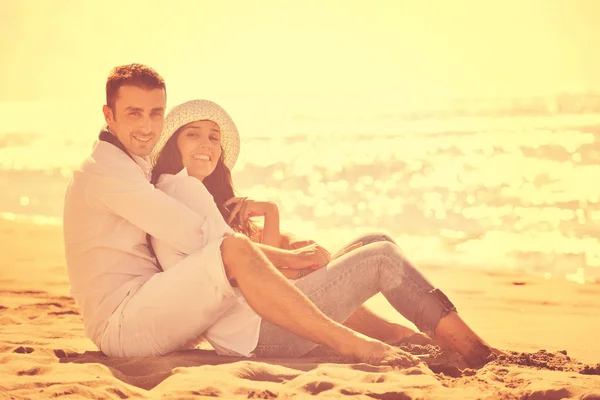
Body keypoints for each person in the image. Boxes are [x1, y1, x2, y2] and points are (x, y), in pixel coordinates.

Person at [63, 63, 432, 367]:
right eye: (133, 113)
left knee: (359, 250)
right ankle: (350, 343)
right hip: (124, 322)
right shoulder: (107, 173)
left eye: (154, 113)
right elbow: (199, 238)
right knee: (237, 251)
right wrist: (294, 258)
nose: (146, 126)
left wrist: (281, 239)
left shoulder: (133, 165)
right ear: (109, 115)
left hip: (151, 303)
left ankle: (399, 336)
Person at [149, 99, 498, 367]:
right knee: (381, 258)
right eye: (192, 134)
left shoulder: (183, 193)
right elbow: (249, 269)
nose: (206, 144)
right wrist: (299, 260)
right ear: (172, 145)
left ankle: (419, 338)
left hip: (255, 328)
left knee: (375, 241)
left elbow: (256, 276)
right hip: (260, 334)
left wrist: (270, 212)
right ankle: (472, 349)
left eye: (213, 137)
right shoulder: (183, 189)